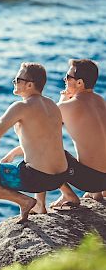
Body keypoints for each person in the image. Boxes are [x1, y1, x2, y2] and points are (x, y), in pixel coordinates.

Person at [0, 62, 72, 223]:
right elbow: (43, 142)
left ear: (29, 85)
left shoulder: (21, 107)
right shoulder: (51, 105)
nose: (14, 82)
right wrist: (13, 153)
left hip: (37, 179)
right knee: (34, 161)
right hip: (60, 177)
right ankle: (41, 205)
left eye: (17, 79)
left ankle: (24, 201)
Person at [44, 59, 106, 209]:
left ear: (79, 83)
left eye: (68, 77)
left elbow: (46, 131)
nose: (64, 80)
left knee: (45, 151)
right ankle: (96, 193)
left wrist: (63, 99)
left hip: (92, 180)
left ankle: (68, 194)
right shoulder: (100, 100)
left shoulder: (67, 106)